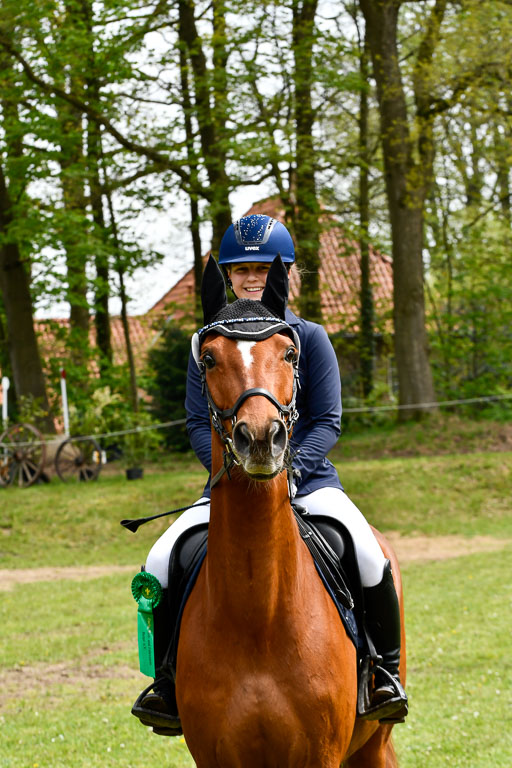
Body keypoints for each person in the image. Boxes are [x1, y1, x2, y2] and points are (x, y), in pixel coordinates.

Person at [132, 214, 408, 734]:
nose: (252, 278)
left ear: (284, 274)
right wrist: (229, 470)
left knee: (369, 552)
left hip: (309, 482)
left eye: (263, 269)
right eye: (241, 270)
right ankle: (166, 684)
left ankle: (382, 675)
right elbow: (197, 422)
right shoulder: (208, 343)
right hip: (231, 486)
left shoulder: (310, 337)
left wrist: (290, 470)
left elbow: (327, 420)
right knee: (161, 558)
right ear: (228, 277)